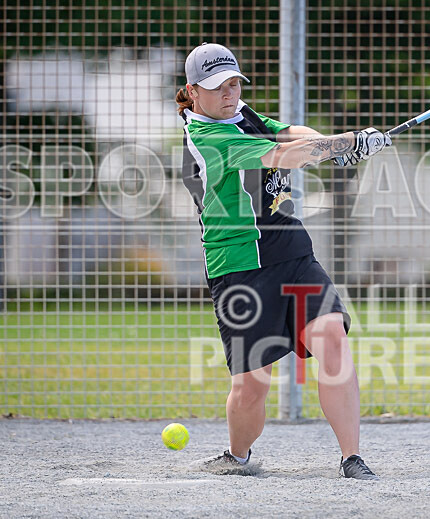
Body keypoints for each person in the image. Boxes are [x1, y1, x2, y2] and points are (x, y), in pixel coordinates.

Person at [175, 42, 389, 480]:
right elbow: (277, 155)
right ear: (194, 92)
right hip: (238, 267)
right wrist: (346, 144)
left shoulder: (243, 115)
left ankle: (352, 457)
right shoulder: (205, 138)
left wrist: (336, 145)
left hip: (291, 252)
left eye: (234, 83)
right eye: (218, 88)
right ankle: (237, 456)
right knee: (253, 384)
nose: (230, 94)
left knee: (331, 336)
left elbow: (291, 134)